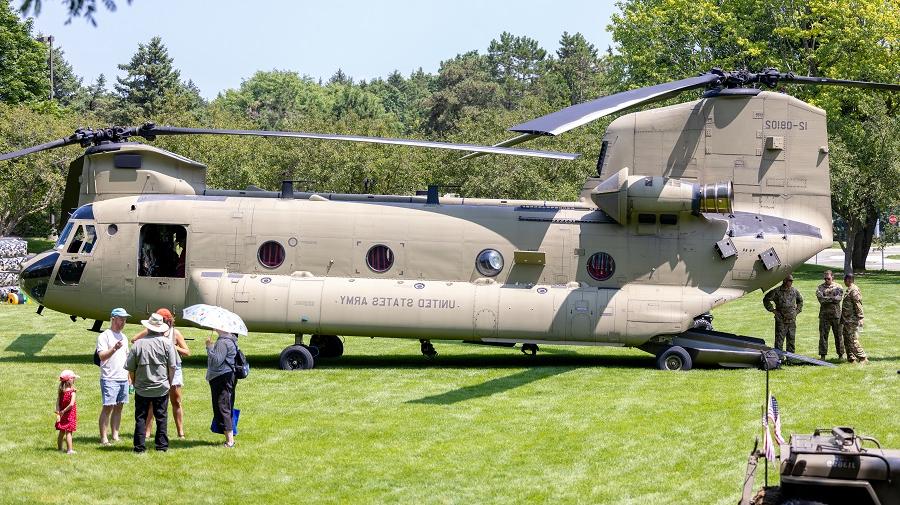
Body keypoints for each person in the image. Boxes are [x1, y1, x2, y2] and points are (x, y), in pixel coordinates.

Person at [133, 308, 190, 439]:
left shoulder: (175, 333)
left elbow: (187, 352)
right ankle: (147, 431)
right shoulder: (150, 331)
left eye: (165, 320)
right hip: (158, 369)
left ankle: (180, 431)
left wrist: (172, 346)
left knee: (176, 401)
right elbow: (134, 340)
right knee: (153, 402)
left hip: (174, 368)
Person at [125, 313, 178, 452]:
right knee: (161, 417)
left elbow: (130, 368)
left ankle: (139, 447)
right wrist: (169, 381)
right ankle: (161, 446)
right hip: (161, 387)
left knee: (140, 418)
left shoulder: (138, 344)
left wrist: (135, 382)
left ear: (147, 328)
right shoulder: (167, 344)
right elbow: (173, 366)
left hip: (142, 387)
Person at [97, 307, 131, 445]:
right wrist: (114, 349)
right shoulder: (104, 336)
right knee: (108, 407)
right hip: (109, 378)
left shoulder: (124, 337)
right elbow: (102, 356)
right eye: (121, 319)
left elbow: (127, 358)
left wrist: (129, 376)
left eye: (125, 319)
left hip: (123, 378)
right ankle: (104, 438)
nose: (123, 322)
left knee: (119, 408)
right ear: (113, 319)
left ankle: (115, 435)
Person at [206, 328, 239, 448]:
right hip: (228, 375)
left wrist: (209, 347)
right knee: (226, 405)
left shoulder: (223, 342)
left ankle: (230, 441)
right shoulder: (231, 339)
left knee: (222, 406)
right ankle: (230, 434)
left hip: (221, 377)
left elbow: (216, 361)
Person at [762, 274, 803, 353]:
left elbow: (800, 301)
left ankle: (790, 359)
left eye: (792, 281)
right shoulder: (777, 291)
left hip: (792, 320)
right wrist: (773, 310)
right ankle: (779, 358)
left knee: (791, 339)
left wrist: (797, 311)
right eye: (789, 281)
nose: (791, 282)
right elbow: (766, 299)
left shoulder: (794, 291)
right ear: (784, 281)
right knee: (779, 340)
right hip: (781, 320)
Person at [815, 270, 844, 361]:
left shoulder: (838, 287)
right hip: (824, 315)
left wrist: (826, 298)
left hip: (836, 315)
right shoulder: (820, 287)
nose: (826, 280)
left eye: (828, 278)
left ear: (832, 277)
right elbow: (821, 300)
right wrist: (832, 298)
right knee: (823, 336)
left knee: (838, 335)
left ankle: (840, 355)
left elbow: (838, 299)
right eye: (825, 278)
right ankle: (823, 356)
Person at [840, 274, 869, 364]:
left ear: (848, 280)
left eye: (845, 280)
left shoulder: (854, 290)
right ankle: (851, 358)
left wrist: (860, 317)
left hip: (852, 320)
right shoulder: (849, 289)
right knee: (846, 339)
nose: (844, 282)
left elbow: (858, 304)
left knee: (852, 339)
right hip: (846, 320)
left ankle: (863, 357)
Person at [55, 370, 79, 454]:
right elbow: (71, 404)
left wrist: (58, 412)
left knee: (61, 432)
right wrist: (64, 411)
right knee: (69, 432)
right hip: (69, 415)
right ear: (69, 380)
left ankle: (59, 448)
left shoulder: (61, 391)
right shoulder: (72, 392)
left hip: (62, 415)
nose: (74, 380)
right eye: (73, 378)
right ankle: (70, 450)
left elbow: (57, 403)